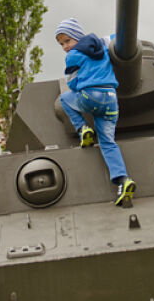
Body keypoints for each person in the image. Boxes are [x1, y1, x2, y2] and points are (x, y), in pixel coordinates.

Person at [55, 17, 136, 206]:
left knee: (65, 99)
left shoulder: (73, 56)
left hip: (91, 96)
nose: (65, 46)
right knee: (108, 142)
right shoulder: (102, 43)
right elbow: (119, 38)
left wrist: (78, 84)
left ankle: (83, 129)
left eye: (67, 41)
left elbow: (73, 83)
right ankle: (123, 180)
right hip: (111, 99)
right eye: (61, 44)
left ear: (76, 36)